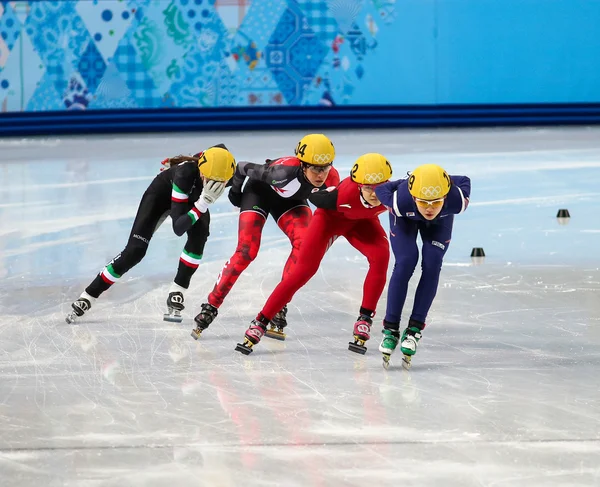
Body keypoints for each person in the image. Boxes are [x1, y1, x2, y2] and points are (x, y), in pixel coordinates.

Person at [234, 153, 393, 355]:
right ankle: (261, 321)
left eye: (381, 187)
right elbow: (314, 196)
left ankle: (365, 318)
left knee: (381, 256)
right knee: (303, 271)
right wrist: (317, 188)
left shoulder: (395, 194)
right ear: (359, 184)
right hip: (329, 221)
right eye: (369, 188)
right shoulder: (340, 195)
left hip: (363, 224)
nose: (375, 194)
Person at [191, 134, 340, 341]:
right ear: (302, 165)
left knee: (304, 245)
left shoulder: (332, 178)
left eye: (325, 167)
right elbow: (241, 167)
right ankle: (211, 305)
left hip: (290, 201)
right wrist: (235, 193)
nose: (321, 174)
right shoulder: (281, 172)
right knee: (246, 252)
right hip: (259, 193)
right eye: (315, 168)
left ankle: (280, 303)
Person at [65, 145, 236, 324]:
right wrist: (203, 203)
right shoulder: (185, 174)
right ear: (201, 170)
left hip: (191, 200)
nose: (212, 185)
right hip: (161, 196)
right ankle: (89, 295)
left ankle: (177, 290)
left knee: (200, 235)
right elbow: (178, 228)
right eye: (208, 179)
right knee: (135, 251)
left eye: (220, 182)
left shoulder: (228, 172)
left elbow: (222, 152)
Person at [374, 164, 471, 369]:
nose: (429, 208)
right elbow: (380, 188)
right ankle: (390, 329)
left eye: (435, 202)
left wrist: (438, 179)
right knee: (406, 261)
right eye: (424, 202)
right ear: (414, 196)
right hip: (405, 219)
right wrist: (404, 183)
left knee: (433, 262)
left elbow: (464, 179)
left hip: (440, 223)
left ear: (445, 196)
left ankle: (414, 329)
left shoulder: (456, 200)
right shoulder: (399, 200)